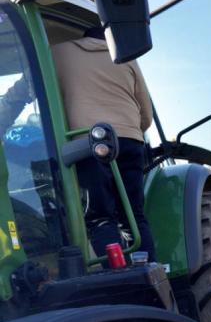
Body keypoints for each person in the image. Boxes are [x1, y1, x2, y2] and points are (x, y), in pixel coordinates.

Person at [52, 27, 156, 262]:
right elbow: (146, 115)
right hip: (130, 142)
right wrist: (129, 130)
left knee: (101, 218)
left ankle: (117, 272)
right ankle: (147, 268)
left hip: (88, 143)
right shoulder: (126, 57)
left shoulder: (58, 52)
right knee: (134, 216)